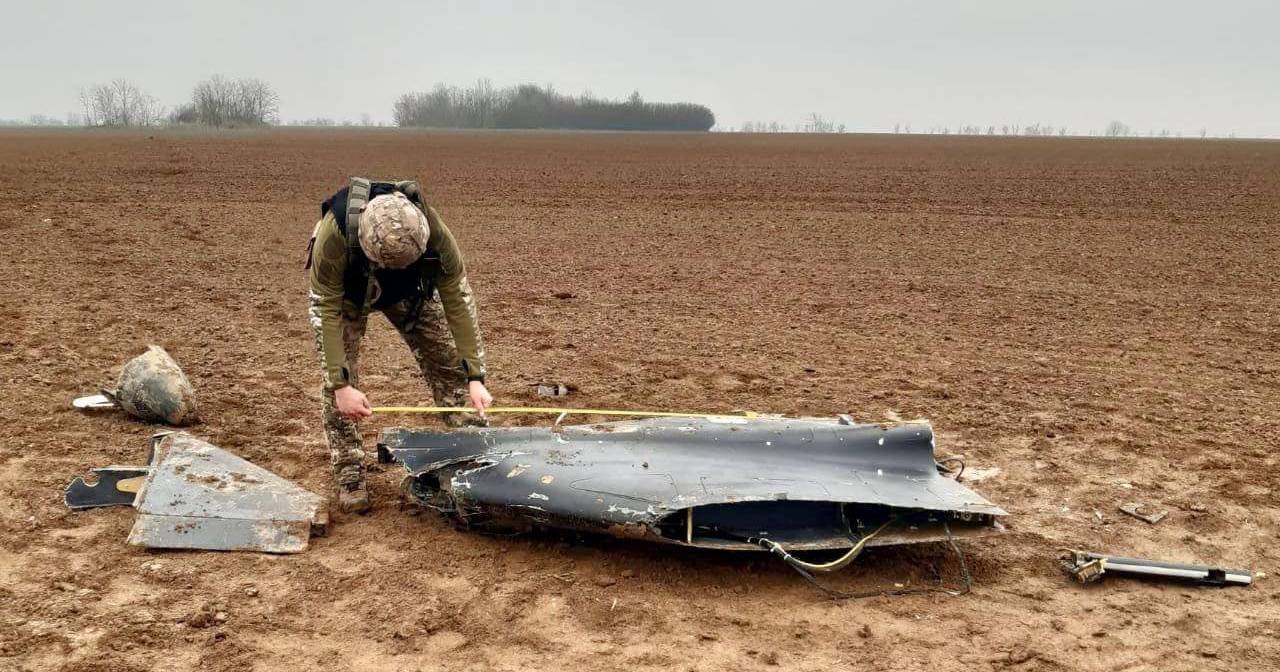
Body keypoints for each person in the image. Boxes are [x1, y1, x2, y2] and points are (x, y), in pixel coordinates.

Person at [307, 178, 492, 513]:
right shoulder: (333, 237)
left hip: (410, 292)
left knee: (449, 363)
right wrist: (340, 383)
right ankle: (349, 471)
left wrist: (475, 375)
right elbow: (324, 306)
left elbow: (456, 294)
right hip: (347, 297)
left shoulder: (430, 228)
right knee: (338, 385)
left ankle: (474, 446)